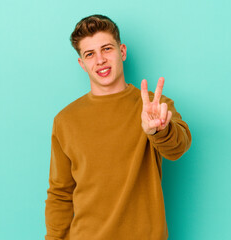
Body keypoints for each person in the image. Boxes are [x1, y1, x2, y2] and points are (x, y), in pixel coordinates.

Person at [45, 14, 192, 240]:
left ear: (122, 51)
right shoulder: (65, 120)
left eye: (107, 49)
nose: (100, 60)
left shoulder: (153, 106)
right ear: (81, 63)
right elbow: (61, 194)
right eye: (90, 54)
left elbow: (178, 148)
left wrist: (159, 131)